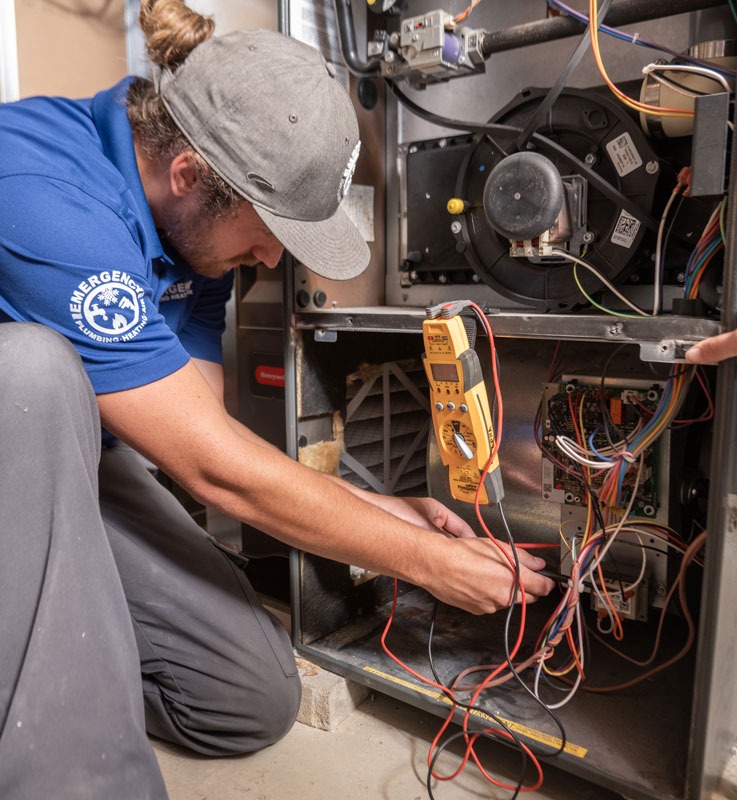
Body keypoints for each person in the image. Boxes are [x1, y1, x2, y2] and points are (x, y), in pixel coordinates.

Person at [0, 1, 553, 797]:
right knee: (31, 371)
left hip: (75, 464)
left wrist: (377, 512)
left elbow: (193, 433)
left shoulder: (195, 238)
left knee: (246, 696)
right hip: (17, 437)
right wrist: (426, 561)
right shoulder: (40, 192)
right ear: (189, 175)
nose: (270, 257)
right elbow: (212, 471)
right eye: (268, 231)